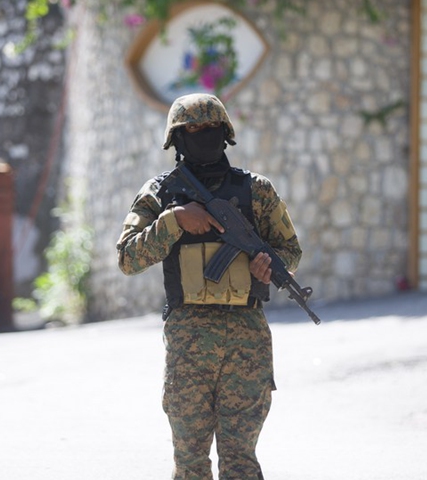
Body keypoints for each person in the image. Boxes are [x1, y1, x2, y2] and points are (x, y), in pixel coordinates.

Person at [116, 93, 302, 479]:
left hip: (246, 341)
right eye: (192, 130)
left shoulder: (257, 191)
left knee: (240, 461)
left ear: (225, 133)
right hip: (189, 341)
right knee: (190, 462)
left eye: (210, 128)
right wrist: (174, 220)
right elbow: (127, 258)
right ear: (177, 139)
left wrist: (272, 266)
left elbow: (291, 251)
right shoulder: (159, 193)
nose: (202, 135)